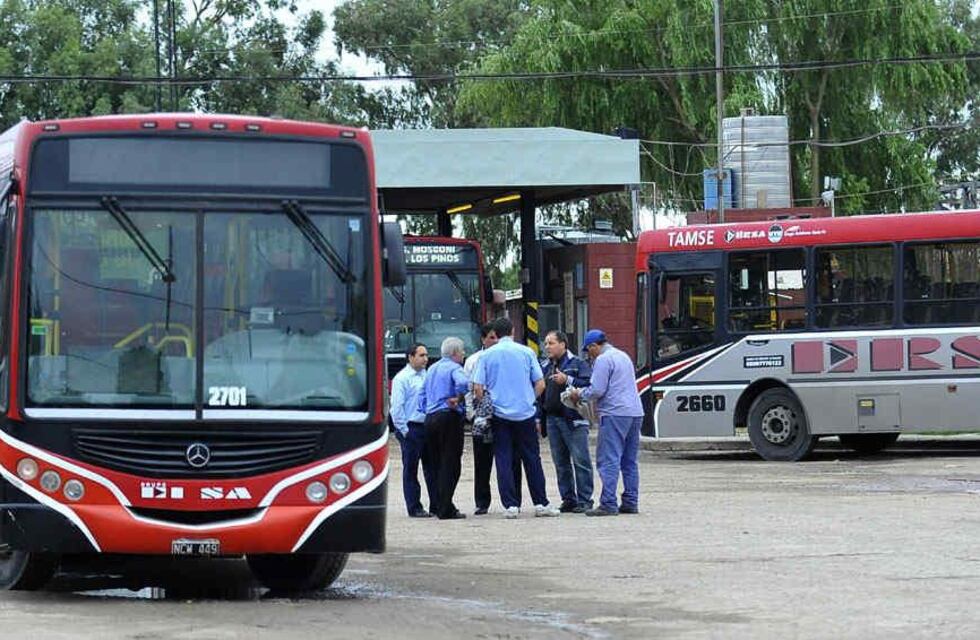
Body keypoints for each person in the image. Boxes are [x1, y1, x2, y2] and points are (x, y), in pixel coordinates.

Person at [473, 317, 559, 519]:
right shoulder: (527, 352)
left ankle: (511, 505)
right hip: (525, 414)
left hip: (499, 415)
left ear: (496, 333)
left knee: (503, 458)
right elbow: (540, 384)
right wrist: (528, 399)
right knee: (532, 458)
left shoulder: (486, 356)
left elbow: (478, 388)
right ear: (512, 331)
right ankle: (540, 503)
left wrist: (488, 404)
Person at [570, 329, 644, 517]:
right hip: (635, 412)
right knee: (629, 460)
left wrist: (579, 394)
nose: (589, 355)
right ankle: (630, 501)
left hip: (614, 413)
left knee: (608, 458)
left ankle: (608, 502)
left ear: (594, 346)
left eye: (588, 350)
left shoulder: (603, 360)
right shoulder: (623, 355)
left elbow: (597, 389)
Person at [464, 322, 522, 515]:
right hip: (482, 417)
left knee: (511, 459)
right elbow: (469, 390)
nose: (494, 340)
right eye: (490, 337)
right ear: (482, 339)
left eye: (497, 337)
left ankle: (515, 500)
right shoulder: (474, 360)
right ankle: (482, 502)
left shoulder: (511, 356)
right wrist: (473, 415)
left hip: (506, 415)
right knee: (482, 461)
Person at [539, 330, 594, 513]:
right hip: (553, 419)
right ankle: (568, 498)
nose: (547, 347)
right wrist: (539, 417)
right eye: (546, 343)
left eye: (551, 343)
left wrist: (567, 379)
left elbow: (589, 385)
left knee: (580, 460)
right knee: (560, 462)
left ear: (563, 344)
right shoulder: (546, 366)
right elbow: (541, 393)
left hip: (574, 418)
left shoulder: (577, 363)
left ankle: (585, 500)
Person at [417, 336, 469, 520]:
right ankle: (445, 508)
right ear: (455, 353)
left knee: (436, 463)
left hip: (430, 419)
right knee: (451, 463)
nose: (463, 355)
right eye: (462, 352)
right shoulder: (455, 368)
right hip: (448, 416)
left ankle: (440, 503)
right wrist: (459, 398)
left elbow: (421, 395)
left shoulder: (432, 369)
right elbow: (463, 383)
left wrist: (426, 409)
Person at [389, 343, 437, 518]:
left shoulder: (428, 375)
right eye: (421, 355)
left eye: (426, 355)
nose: (425, 359)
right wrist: (404, 430)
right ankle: (414, 506)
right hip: (411, 427)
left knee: (432, 468)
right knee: (411, 469)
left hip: (428, 426)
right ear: (410, 357)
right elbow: (396, 407)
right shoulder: (402, 378)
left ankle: (436, 504)